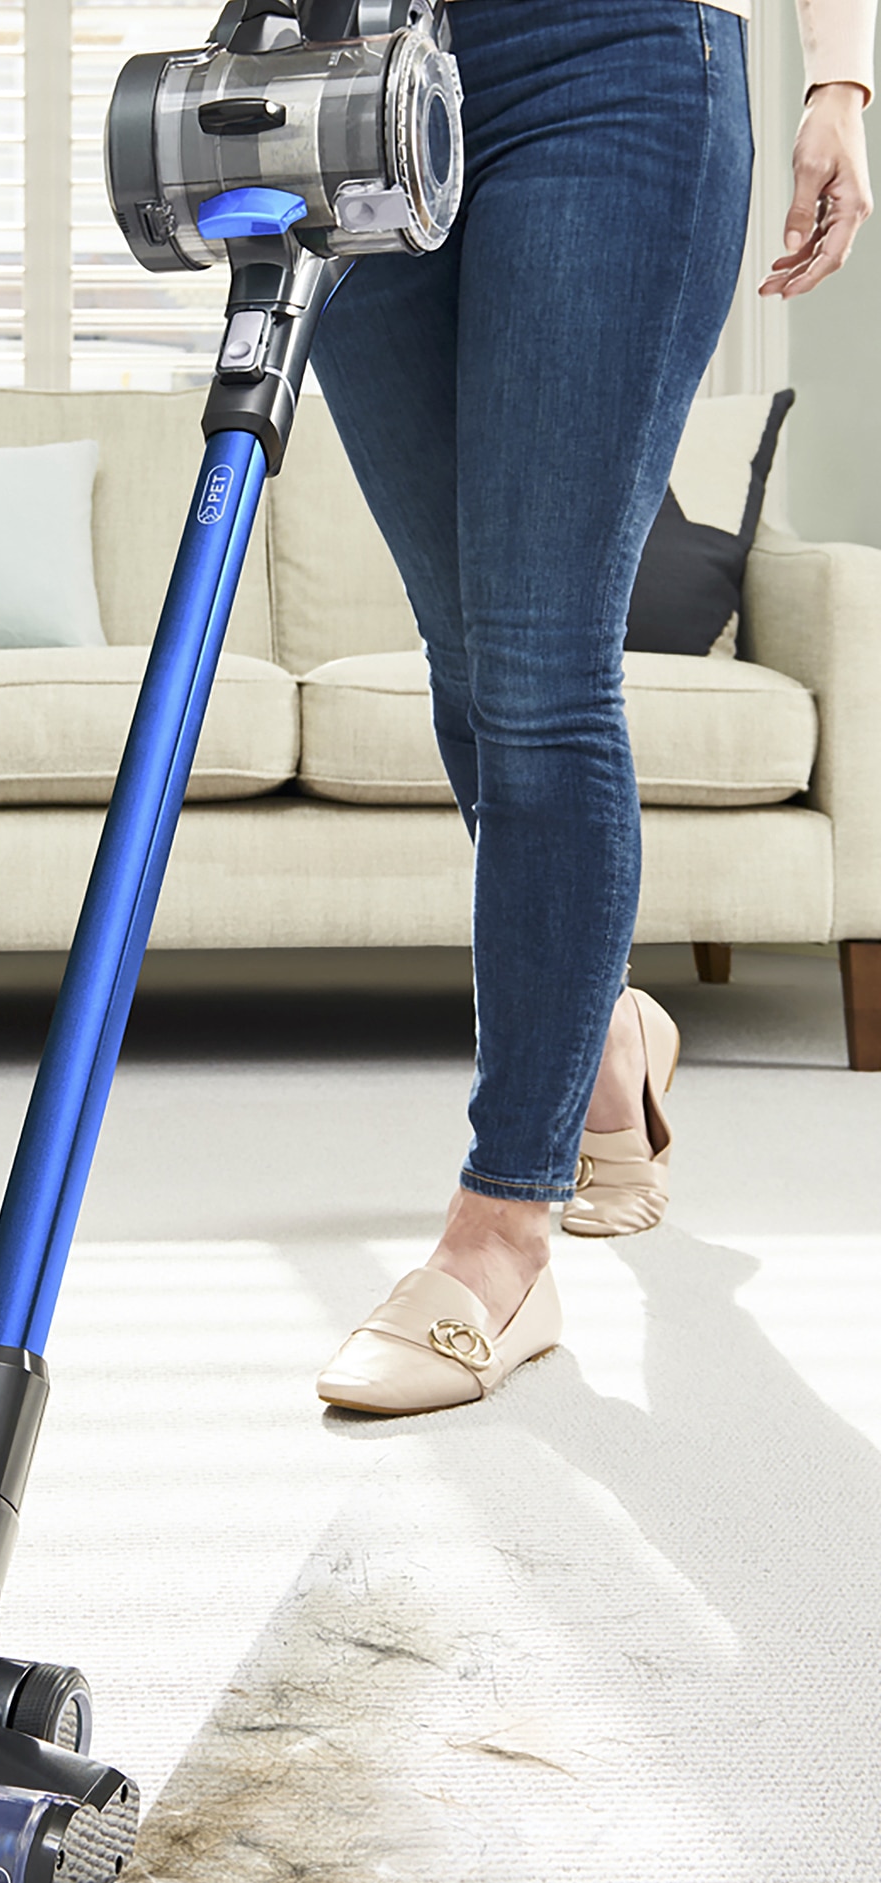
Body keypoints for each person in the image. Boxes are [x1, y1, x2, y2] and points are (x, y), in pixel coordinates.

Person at [310, 0, 874, 1415]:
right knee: (469, 661)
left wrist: (839, 80)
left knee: (544, 659)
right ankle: (608, 1038)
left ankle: (504, 1226)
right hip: (355, 72)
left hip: (613, 60)